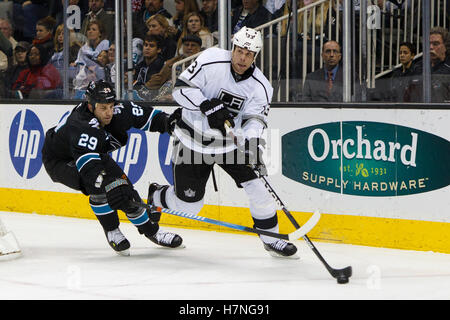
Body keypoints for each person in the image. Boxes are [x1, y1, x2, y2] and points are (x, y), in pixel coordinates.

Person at [148, 26, 298, 258]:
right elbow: (180, 90)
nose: (242, 57)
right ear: (233, 48)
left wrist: (249, 143)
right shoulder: (210, 59)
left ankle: (272, 239)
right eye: (239, 51)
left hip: (230, 145)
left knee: (259, 188)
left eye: (249, 54)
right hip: (191, 142)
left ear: (255, 56)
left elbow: (255, 121)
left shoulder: (262, 87)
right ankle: (156, 195)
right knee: (189, 206)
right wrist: (206, 105)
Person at [41, 80, 184, 255]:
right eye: (103, 108)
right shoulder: (80, 125)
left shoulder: (117, 109)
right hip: (60, 161)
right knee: (98, 188)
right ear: (90, 105)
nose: (109, 112)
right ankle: (111, 230)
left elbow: (148, 116)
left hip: (93, 154)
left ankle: (152, 232)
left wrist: (168, 122)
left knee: (127, 192)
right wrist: (109, 184)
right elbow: (90, 170)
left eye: (111, 106)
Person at [147, 34, 202, 101]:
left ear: (199, 48)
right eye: (186, 45)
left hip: (186, 98)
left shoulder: (202, 64)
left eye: (193, 45)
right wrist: (145, 88)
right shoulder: (173, 62)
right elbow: (159, 78)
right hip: (162, 97)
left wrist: (174, 97)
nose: (189, 48)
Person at [404, 27, 450, 102]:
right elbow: (407, 98)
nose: (431, 47)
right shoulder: (417, 67)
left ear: (445, 47)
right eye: (428, 44)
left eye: (436, 44)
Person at [73, 20, 110, 98]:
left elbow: (103, 61)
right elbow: (79, 64)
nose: (90, 31)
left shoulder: (105, 43)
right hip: (87, 76)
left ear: (100, 33)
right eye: (89, 29)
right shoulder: (83, 48)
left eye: (94, 29)